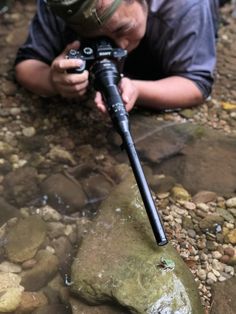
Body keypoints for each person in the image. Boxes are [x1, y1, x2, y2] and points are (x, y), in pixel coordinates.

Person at [15, 0, 220, 112]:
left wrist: (138, 90)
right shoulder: (63, 5)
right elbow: (27, 64)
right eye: (94, 36)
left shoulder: (188, 5)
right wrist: (52, 81)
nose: (121, 46)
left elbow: (196, 84)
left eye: (124, 29)